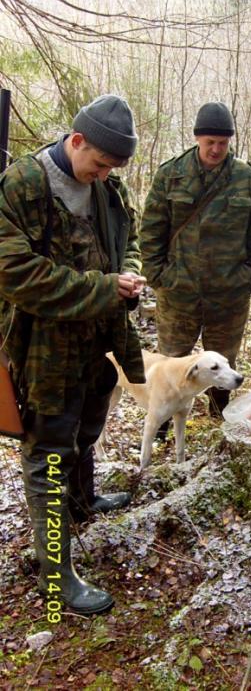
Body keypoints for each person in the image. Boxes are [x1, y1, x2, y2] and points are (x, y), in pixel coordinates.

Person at [0, 94, 146, 615]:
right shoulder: (22, 185)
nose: (104, 175)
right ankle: (55, 575)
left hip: (97, 343)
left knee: (87, 430)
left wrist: (127, 274)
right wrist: (105, 288)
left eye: (113, 168)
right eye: (99, 163)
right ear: (76, 140)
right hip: (43, 352)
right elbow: (17, 275)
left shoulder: (108, 185)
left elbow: (129, 237)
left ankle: (83, 502)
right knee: (49, 454)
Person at [140, 102, 251, 416]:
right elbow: (150, 230)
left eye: (223, 143)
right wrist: (159, 275)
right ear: (197, 138)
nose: (216, 149)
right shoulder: (171, 175)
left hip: (229, 292)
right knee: (171, 360)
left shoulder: (246, 178)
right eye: (210, 142)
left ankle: (220, 417)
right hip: (178, 292)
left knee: (224, 359)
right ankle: (161, 421)